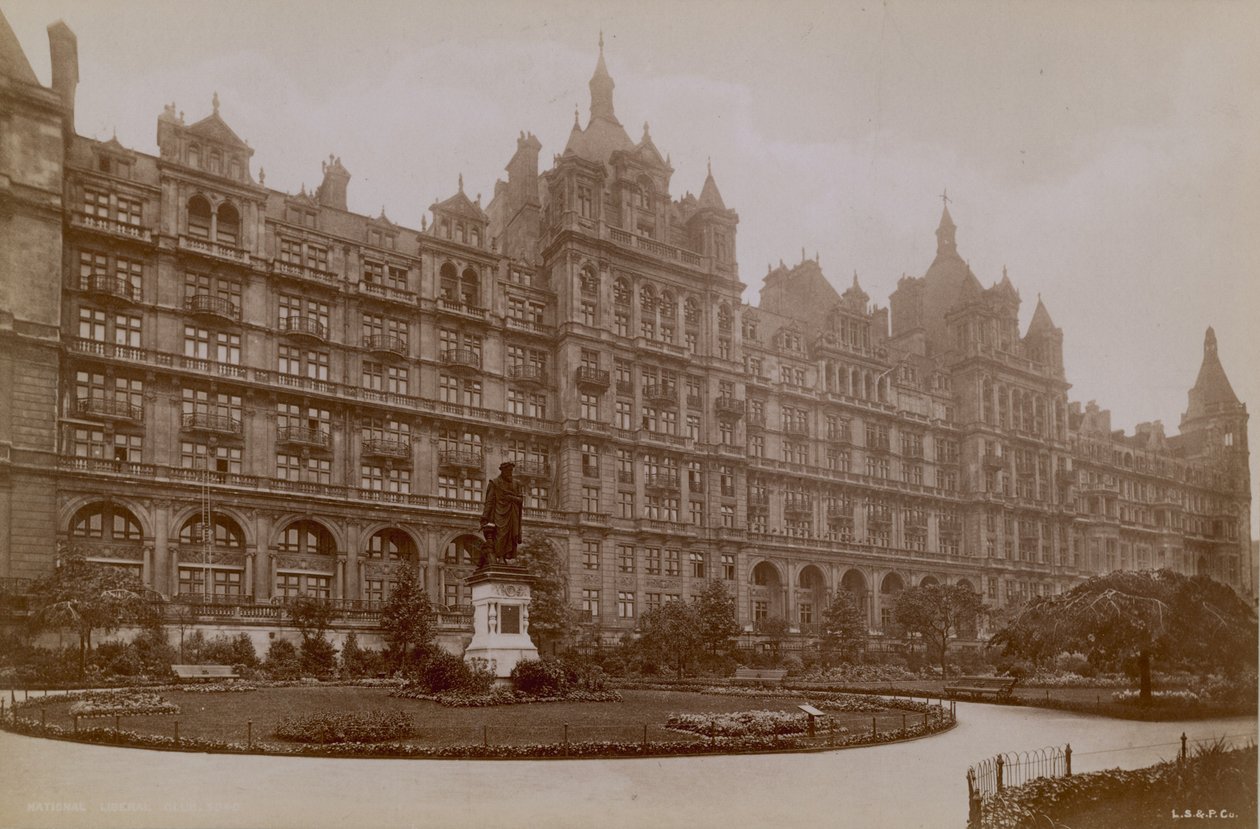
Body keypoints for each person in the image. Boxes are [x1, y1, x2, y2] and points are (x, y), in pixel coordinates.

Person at [479, 461, 523, 566]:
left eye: (511, 471)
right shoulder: (494, 483)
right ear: (502, 471)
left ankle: (505, 557)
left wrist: (510, 497)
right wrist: (485, 517)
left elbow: (521, 500)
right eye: (508, 471)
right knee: (499, 536)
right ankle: (501, 557)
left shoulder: (516, 483)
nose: (510, 473)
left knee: (510, 536)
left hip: (512, 514)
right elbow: (489, 502)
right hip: (498, 514)